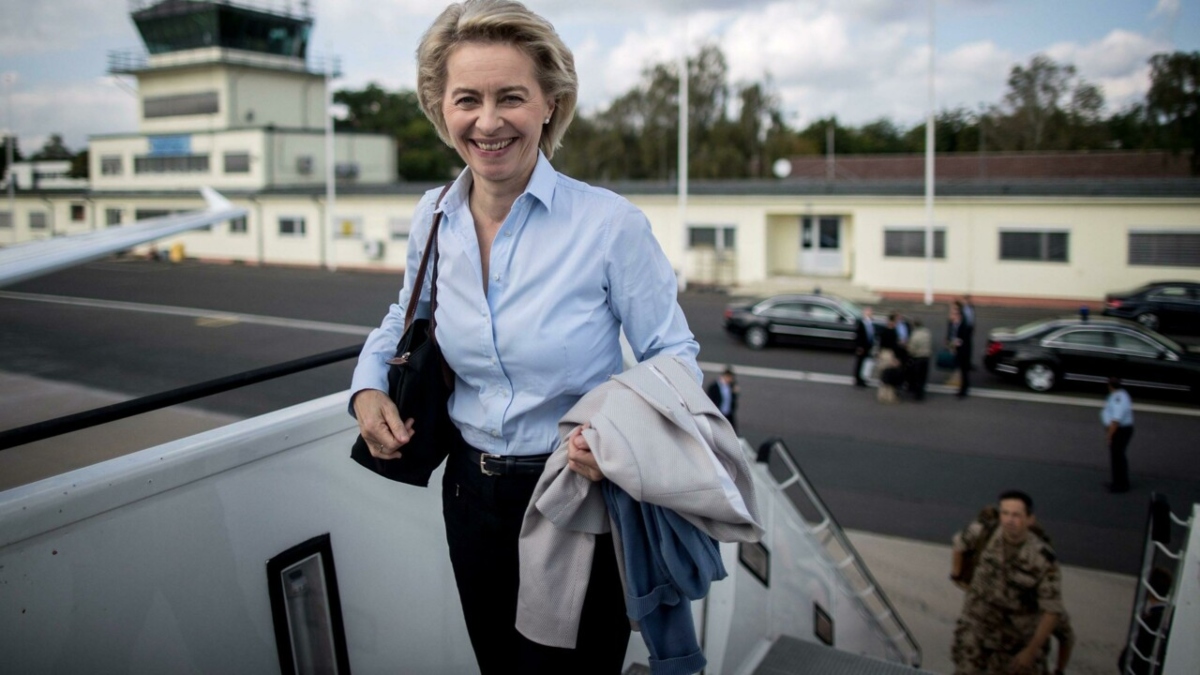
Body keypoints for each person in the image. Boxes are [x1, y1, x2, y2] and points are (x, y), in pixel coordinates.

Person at [348, 2, 701, 672]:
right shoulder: (433, 215)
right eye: (467, 99)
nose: (488, 122)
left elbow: (674, 358)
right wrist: (367, 389)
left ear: (550, 104)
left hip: (577, 494)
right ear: (441, 109)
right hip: (468, 494)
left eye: (510, 97)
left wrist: (619, 439)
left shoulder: (609, 225)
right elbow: (405, 315)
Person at [950, 490, 1064, 674]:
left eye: (1016, 515)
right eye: (1005, 513)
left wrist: (1031, 651)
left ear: (1029, 519)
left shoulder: (1042, 559)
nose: (1009, 520)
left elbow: (1052, 611)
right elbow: (959, 543)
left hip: (1013, 643)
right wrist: (957, 575)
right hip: (975, 635)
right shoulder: (985, 532)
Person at [1102, 377, 1134, 493]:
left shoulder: (1119, 398)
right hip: (1119, 429)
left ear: (1110, 386)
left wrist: (1109, 435)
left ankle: (1121, 485)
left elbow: (1116, 420)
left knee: (1118, 458)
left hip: (1120, 430)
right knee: (1116, 457)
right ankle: (1117, 481)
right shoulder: (1119, 394)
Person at [947, 302, 973, 398]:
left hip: (964, 351)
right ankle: (962, 387)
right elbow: (951, 334)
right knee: (961, 370)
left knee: (964, 371)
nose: (953, 316)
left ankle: (963, 390)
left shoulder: (963, 325)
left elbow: (964, 339)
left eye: (955, 314)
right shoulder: (954, 324)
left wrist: (957, 342)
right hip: (959, 350)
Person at [706, 365, 739, 433]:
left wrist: (735, 393)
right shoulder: (714, 386)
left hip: (728, 415)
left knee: (731, 432)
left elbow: (732, 401)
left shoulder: (731, 386)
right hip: (717, 415)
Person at [906, 318, 932, 401]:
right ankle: (921, 392)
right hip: (926, 357)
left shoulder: (914, 335)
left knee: (917, 377)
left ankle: (917, 395)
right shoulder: (927, 333)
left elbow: (911, 349)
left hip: (918, 358)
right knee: (923, 377)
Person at [853, 306, 877, 387]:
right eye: (868, 312)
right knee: (860, 363)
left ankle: (863, 378)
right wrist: (859, 347)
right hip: (862, 347)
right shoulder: (862, 323)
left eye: (870, 312)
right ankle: (858, 379)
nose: (870, 313)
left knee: (866, 363)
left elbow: (871, 334)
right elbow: (859, 336)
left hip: (868, 346)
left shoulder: (870, 323)